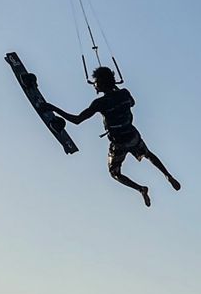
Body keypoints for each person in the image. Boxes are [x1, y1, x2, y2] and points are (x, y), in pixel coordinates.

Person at [44, 66, 180, 207]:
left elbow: (77, 120)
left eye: (96, 82)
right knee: (148, 154)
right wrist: (116, 90)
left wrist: (54, 108)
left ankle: (141, 189)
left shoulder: (100, 103)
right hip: (132, 136)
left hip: (119, 143)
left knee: (115, 173)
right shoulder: (125, 93)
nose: (94, 85)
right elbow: (132, 103)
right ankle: (168, 175)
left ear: (101, 84)